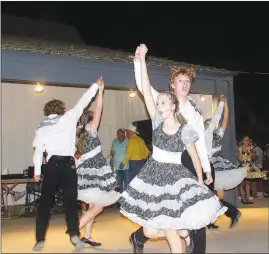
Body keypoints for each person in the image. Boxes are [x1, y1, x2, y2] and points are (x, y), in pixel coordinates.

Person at [119, 44, 227, 254]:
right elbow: (145, 89)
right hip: (159, 169)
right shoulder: (162, 105)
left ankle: (194, 248)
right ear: (172, 84)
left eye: (188, 82)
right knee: (159, 223)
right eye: (181, 81)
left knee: (191, 213)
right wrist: (139, 60)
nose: (185, 84)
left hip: (184, 161)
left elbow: (200, 145)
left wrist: (205, 171)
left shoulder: (193, 114)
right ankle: (165, 234)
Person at [32, 77, 103, 251]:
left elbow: (38, 152)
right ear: (62, 109)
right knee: (71, 203)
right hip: (69, 166)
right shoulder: (69, 118)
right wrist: (96, 85)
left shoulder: (41, 127)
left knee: (45, 204)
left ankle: (39, 240)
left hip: (51, 166)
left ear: (46, 111)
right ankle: (74, 237)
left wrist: (37, 171)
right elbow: (84, 100)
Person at [75, 81, 120, 246]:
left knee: (93, 205)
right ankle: (75, 230)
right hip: (94, 171)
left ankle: (87, 236)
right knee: (98, 207)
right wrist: (100, 92)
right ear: (90, 121)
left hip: (86, 172)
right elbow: (99, 109)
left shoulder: (79, 135)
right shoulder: (90, 130)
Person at [204, 96, 246, 229]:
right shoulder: (214, 135)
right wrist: (225, 106)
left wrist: (225, 106)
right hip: (214, 166)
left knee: (214, 196)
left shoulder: (213, 135)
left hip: (214, 167)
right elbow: (225, 120)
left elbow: (225, 120)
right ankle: (213, 220)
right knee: (215, 196)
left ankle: (223, 216)